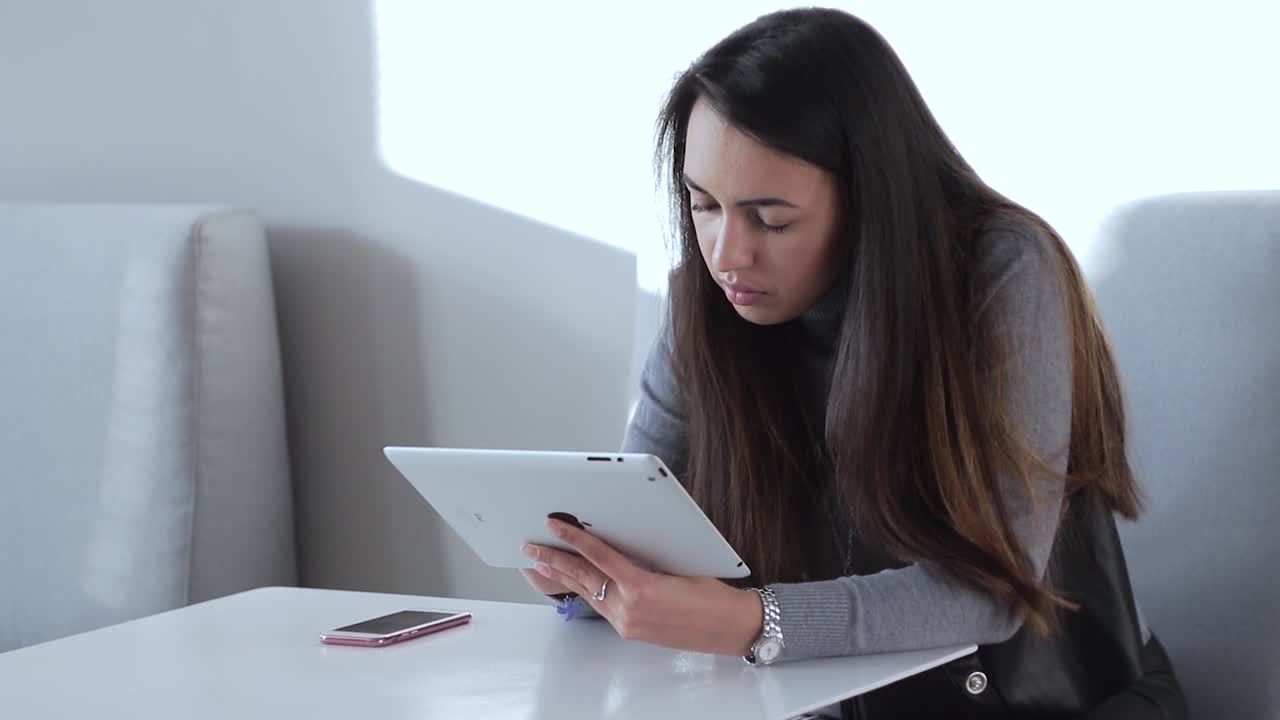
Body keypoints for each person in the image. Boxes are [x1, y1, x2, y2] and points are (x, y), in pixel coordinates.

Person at [521, 8, 1185, 718]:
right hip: (836, 699)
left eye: (771, 219)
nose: (726, 255)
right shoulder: (705, 301)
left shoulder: (1002, 272)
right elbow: (638, 521)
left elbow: (991, 593)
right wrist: (591, 578)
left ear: (872, 197)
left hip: (1055, 702)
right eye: (703, 205)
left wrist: (751, 621)